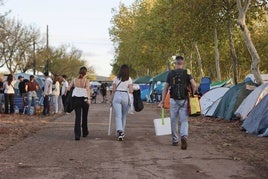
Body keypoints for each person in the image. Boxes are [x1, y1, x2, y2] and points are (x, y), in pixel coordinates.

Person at [158, 56, 197, 150]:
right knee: (184, 120)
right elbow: (194, 85)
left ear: (175, 63)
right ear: (183, 63)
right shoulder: (187, 72)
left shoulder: (171, 73)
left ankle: (175, 140)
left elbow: (165, 88)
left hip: (173, 100)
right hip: (184, 100)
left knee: (173, 120)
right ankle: (184, 136)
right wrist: (192, 94)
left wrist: (162, 101)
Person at [110, 64, 133, 141]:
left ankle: (120, 131)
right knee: (124, 115)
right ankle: (121, 132)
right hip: (125, 96)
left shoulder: (116, 78)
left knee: (118, 116)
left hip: (117, 95)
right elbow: (131, 90)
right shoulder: (129, 79)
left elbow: (113, 90)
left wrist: (111, 99)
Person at [67, 66, 91, 140]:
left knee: (77, 117)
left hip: (76, 99)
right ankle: (85, 132)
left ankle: (77, 135)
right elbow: (87, 90)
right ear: (85, 73)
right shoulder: (86, 80)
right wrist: (89, 99)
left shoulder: (74, 80)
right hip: (84, 99)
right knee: (84, 116)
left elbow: (68, 88)